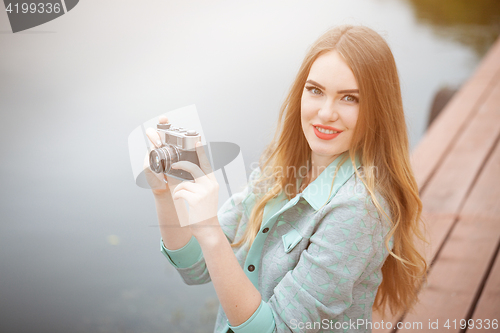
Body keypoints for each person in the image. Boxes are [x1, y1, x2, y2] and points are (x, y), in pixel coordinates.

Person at [145, 24, 428, 333]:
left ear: (378, 109)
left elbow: (276, 329)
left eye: (349, 98)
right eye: (316, 91)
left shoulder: (360, 210)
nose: (326, 113)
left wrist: (209, 228)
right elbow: (194, 267)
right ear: (300, 93)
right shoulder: (280, 169)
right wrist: (165, 195)